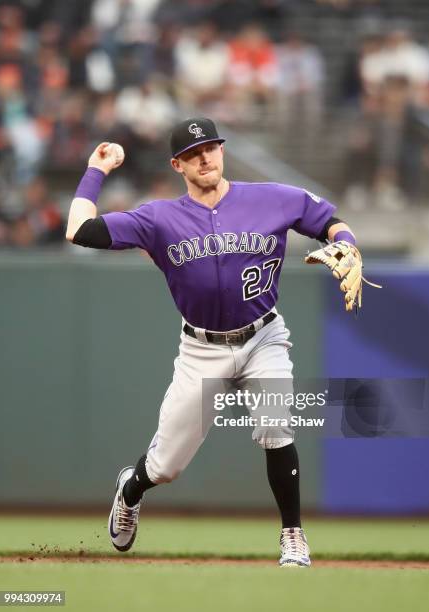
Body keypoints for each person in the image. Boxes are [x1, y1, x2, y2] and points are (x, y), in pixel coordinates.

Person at [65, 117, 357, 567]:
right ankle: (132, 487)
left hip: (264, 337)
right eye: (193, 153)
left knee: (276, 427)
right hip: (201, 348)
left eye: (212, 147)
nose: (205, 157)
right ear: (177, 164)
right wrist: (95, 170)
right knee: (167, 466)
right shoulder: (158, 217)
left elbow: (330, 223)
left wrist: (348, 244)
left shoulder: (272, 198)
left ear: (222, 151)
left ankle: (293, 534)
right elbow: (79, 231)